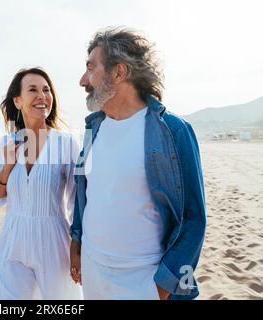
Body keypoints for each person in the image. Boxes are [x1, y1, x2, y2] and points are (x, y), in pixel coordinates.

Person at [69, 27, 206, 300]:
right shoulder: (92, 130)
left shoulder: (172, 130)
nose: (83, 80)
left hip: (144, 279)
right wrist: (76, 240)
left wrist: (162, 288)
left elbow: (194, 219)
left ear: (118, 73)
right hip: (93, 273)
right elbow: (85, 192)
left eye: (90, 68)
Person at [0, 67, 82, 299]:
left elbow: (77, 202)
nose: (42, 96)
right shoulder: (7, 144)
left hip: (53, 242)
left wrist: (77, 247)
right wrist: (7, 167)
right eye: (33, 90)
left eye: (46, 90)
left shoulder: (66, 144)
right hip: (12, 240)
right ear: (18, 101)